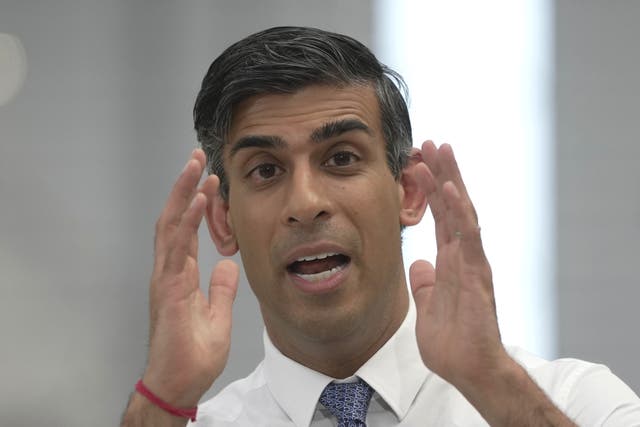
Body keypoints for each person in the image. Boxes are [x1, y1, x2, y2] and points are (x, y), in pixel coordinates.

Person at [121, 26, 640, 427]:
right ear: (222, 220)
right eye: (266, 170)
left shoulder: (574, 401)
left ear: (409, 192)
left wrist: (494, 386)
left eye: (341, 158)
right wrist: (162, 398)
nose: (305, 203)